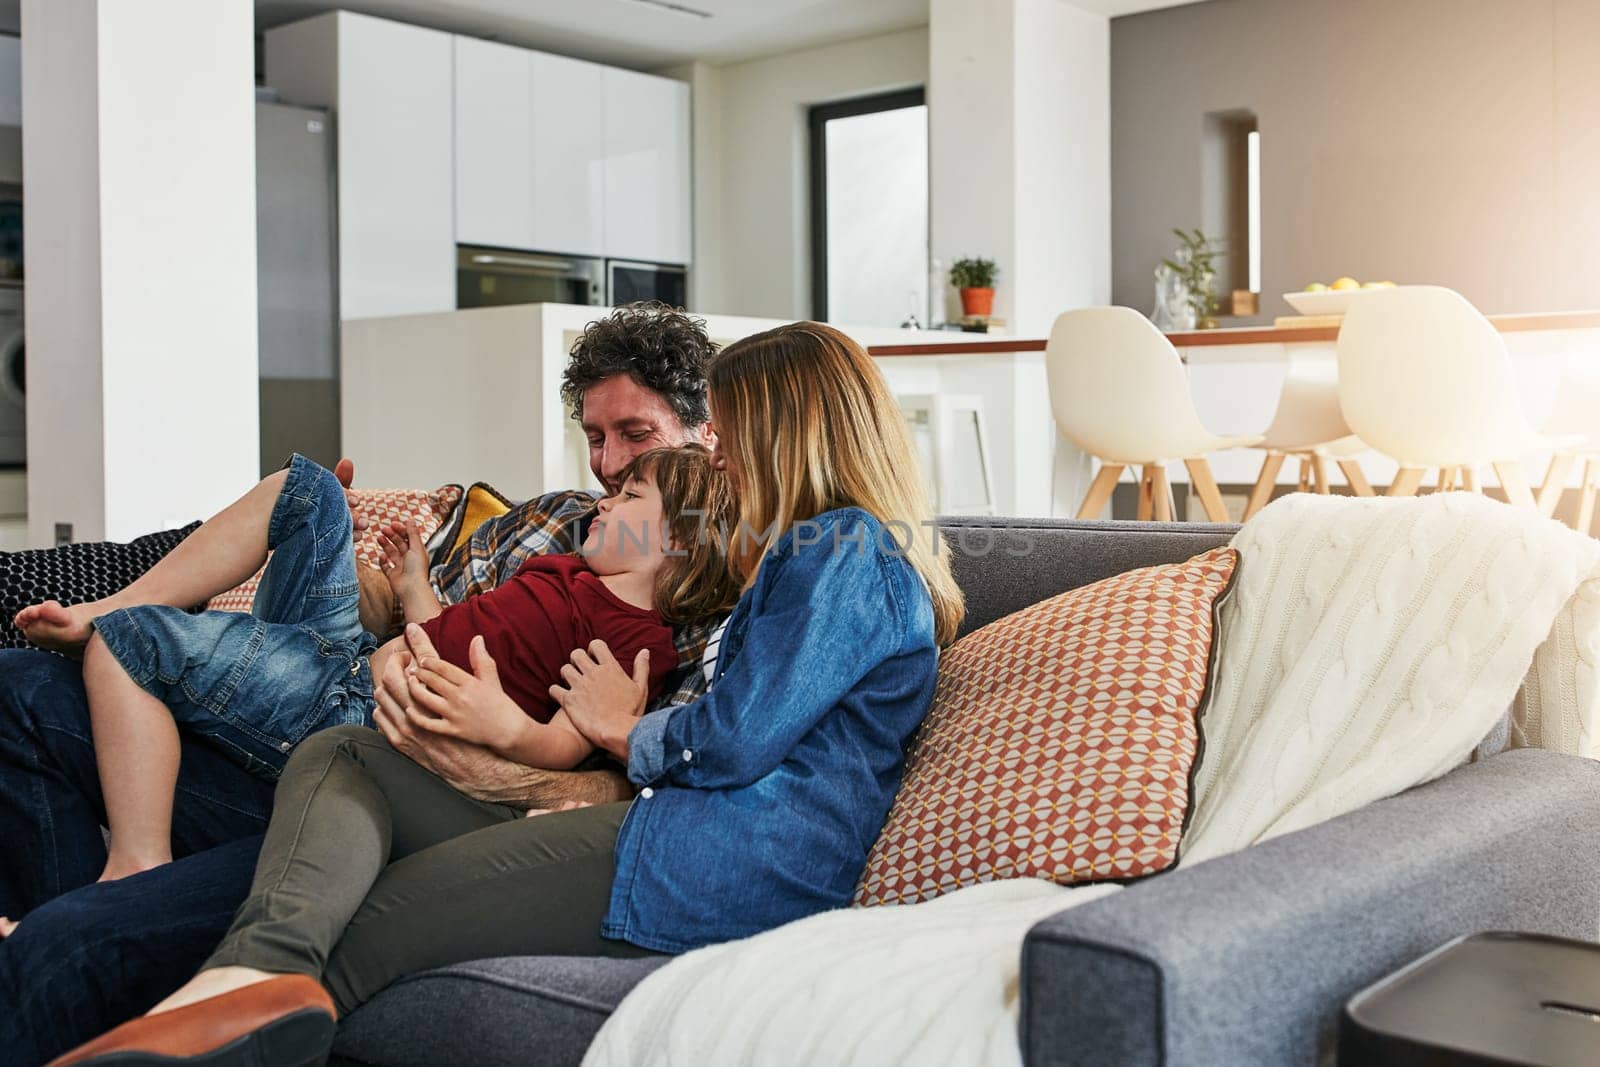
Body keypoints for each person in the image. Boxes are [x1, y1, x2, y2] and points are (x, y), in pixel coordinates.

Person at [52, 321, 966, 1066]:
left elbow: (729, 740)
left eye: (730, 433)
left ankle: (211, 1021)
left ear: (788, 429)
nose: (718, 455)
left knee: (368, 932)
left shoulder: (844, 548)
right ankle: (230, 990)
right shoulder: (811, 559)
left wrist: (624, 729)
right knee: (345, 753)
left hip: (716, 864)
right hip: (667, 829)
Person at [0, 302, 720, 1064]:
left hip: (376, 782)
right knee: (18, 685)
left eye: (634, 439)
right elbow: (411, 609)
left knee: (62, 949)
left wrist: (497, 743)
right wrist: (351, 566)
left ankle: (83, 930)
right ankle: (85, 916)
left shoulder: (700, 603)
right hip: (335, 681)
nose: (608, 466)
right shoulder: (552, 527)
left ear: (705, 437)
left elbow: (629, 788)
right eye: (595, 439)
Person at [10, 445, 732, 891]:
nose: (604, 495)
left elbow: (572, 740)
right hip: (350, 660)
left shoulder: (634, 639)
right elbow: (447, 636)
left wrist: (506, 728)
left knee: (134, 645)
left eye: (630, 495)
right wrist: (417, 585)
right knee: (308, 488)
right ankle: (103, 608)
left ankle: (138, 861)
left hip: (346, 712)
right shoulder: (563, 567)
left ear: (679, 538)